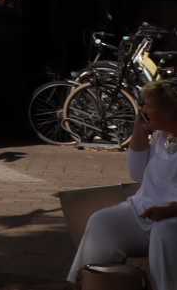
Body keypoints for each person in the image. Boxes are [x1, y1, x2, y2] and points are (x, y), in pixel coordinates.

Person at [67, 79, 177, 289]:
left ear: (168, 111)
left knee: (164, 233)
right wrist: (139, 128)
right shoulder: (162, 137)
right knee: (102, 221)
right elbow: (137, 173)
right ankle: (88, 283)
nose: (143, 110)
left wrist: (169, 211)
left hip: (171, 218)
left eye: (149, 106)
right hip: (145, 211)